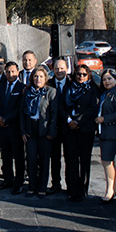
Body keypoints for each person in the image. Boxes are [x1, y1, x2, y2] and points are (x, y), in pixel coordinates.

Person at [20, 67, 58, 198]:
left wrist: (51, 132)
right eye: (36, 76)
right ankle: (32, 186)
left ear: (45, 78)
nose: (38, 79)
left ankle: (42, 187)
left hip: (44, 130)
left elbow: (54, 114)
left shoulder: (51, 92)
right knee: (30, 159)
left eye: (41, 76)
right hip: (31, 129)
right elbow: (22, 113)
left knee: (43, 160)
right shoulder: (27, 92)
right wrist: (23, 131)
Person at [64, 64, 100, 202]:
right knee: (71, 159)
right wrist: (69, 120)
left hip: (85, 129)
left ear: (88, 75)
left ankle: (83, 189)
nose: (81, 77)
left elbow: (92, 108)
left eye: (84, 74)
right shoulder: (69, 88)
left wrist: (78, 121)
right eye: (78, 74)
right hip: (70, 128)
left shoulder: (92, 89)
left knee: (84, 160)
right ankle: (72, 188)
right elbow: (62, 106)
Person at [0, 61, 25, 195]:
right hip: (1, 128)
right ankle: (7, 179)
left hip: (15, 127)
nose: (10, 74)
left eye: (13, 72)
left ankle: (19, 183)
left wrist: (6, 119)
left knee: (18, 156)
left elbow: (20, 108)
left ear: (18, 72)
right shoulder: (0, 87)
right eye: (8, 72)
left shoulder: (22, 87)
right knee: (5, 155)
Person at [95, 69, 116, 203]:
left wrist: (104, 119)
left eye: (109, 79)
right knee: (108, 162)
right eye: (104, 79)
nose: (107, 82)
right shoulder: (105, 94)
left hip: (112, 132)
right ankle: (113, 187)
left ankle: (110, 190)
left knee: (107, 161)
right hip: (104, 132)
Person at [47, 58, 70, 194]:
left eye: (62, 68)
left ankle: (69, 184)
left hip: (68, 128)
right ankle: (56, 183)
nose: (59, 71)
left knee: (69, 157)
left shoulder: (72, 84)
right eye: (56, 68)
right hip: (53, 127)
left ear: (66, 69)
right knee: (54, 158)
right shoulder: (48, 84)